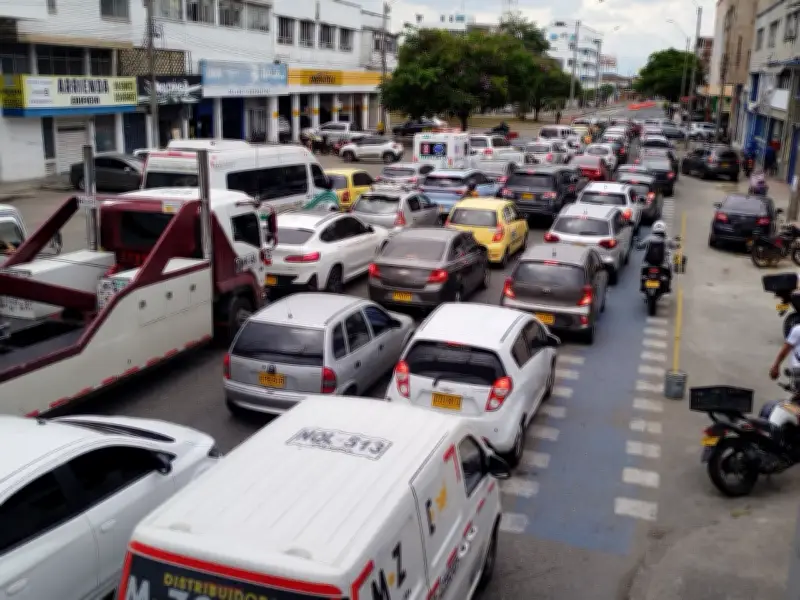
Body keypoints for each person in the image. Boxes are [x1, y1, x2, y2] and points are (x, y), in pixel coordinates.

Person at [637, 220, 679, 292]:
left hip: (649, 262)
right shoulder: (667, 239)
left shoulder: (649, 238)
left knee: (643, 270)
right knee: (670, 267)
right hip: (662, 263)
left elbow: (640, 246)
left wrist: (638, 243)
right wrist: (678, 244)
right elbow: (674, 245)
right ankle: (667, 287)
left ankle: (643, 286)